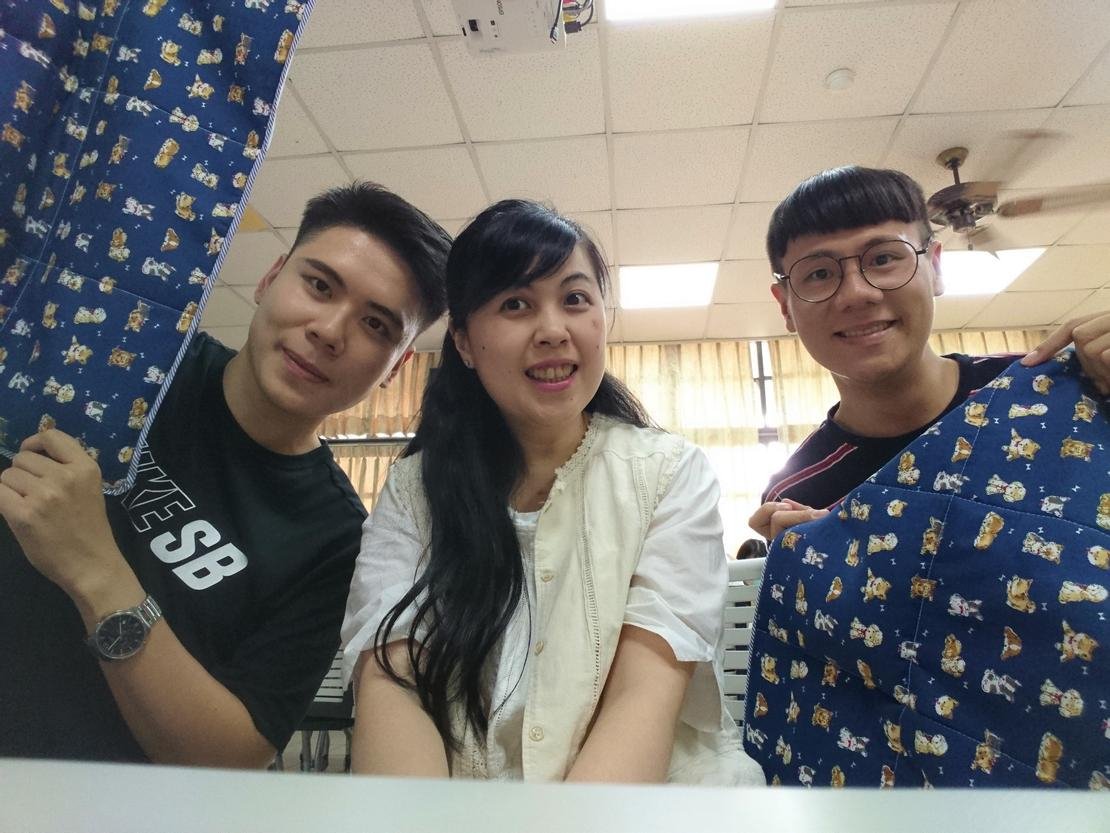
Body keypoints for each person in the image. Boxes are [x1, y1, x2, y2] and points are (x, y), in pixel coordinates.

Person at [0, 182, 451, 766]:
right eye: (319, 285)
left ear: (397, 366)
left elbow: (237, 752)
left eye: (376, 325)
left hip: (87, 799)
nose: (330, 331)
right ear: (270, 277)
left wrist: (97, 574)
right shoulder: (134, 354)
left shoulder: (338, 542)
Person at [341, 199, 758, 784]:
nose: (554, 330)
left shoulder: (668, 474)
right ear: (463, 342)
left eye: (575, 299)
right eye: (515, 304)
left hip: (646, 804)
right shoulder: (415, 489)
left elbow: (644, 694)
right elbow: (393, 678)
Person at [749, 165, 1110, 541]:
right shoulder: (796, 497)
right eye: (819, 274)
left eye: (883, 259)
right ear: (785, 305)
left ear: (935, 267)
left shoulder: (1064, 387)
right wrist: (798, 564)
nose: (857, 293)